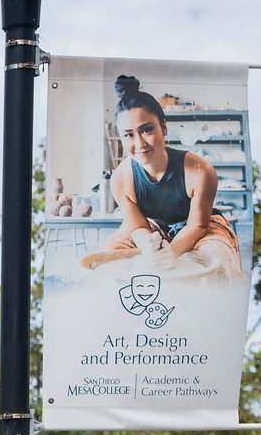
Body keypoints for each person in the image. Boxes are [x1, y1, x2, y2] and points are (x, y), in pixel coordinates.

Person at [81, 75, 243, 281]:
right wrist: (147, 242)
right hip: (152, 224)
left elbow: (197, 226)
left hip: (201, 224)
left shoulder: (201, 171)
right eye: (129, 135)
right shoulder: (121, 179)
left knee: (216, 258)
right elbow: (138, 226)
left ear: (164, 127)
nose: (139, 143)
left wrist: (172, 251)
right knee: (109, 256)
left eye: (147, 130)